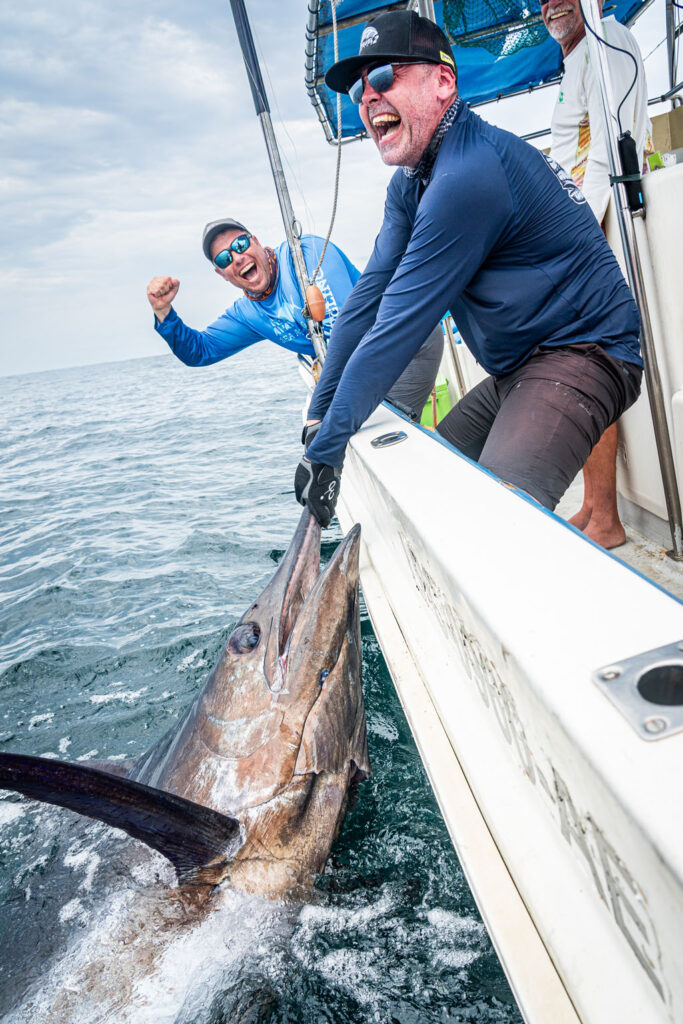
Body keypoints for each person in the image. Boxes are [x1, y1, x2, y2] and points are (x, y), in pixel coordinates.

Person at [293, 9, 642, 529]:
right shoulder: (410, 183)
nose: (368, 96)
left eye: (385, 76)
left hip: (586, 351)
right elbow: (367, 300)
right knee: (435, 485)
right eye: (358, 89)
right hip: (517, 370)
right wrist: (320, 417)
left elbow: (396, 325)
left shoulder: (467, 175)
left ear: (443, 81)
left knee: (493, 521)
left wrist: (328, 449)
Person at [542, 0, 652, 548]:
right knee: (579, 362)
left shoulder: (605, 39)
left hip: (595, 233)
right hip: (584, 229)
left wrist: (572, 234)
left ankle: (605, 517)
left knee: (587, 364)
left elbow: (605, 153)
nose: (548, 4)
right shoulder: (577, 56)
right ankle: (594, 505)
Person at [146, 219, 443, 418]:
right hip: (363, 369)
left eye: (239, 244)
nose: (237, 258)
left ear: (257, 241)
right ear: (222, 274)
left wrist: (319, 414)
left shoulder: (304, 254)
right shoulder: (248, 313)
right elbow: (200, 351)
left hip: (407, 344)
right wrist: (163, 312)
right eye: (224, 259)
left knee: (378, 428)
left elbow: (346, 329)